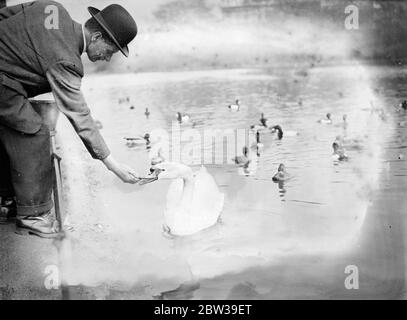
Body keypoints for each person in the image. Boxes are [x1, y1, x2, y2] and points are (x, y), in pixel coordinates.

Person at [0, 1, 139, 237]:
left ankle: (8, 200)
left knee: (11, 128)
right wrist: (112, 164)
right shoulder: (67, 60)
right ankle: (33, 215)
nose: (107, 58)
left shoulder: (52, 8)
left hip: (7, 80)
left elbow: (4, 15)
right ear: (96, 37)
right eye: (111, 50)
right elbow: (79, 113)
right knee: (34, 132)